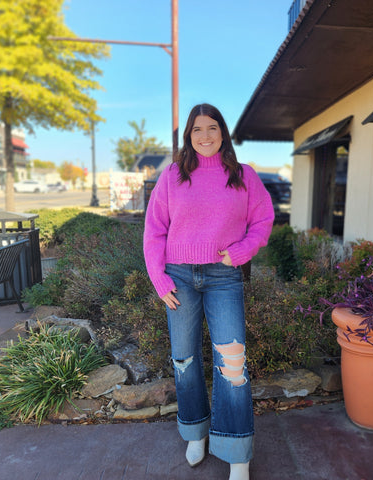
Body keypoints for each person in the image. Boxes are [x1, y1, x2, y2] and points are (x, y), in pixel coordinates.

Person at [143, 103, 274, 480]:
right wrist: (160, 278)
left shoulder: (243, 175)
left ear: (222, 132)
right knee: (184, 359)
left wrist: (243, 252)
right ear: (189, 135)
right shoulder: (172, 176)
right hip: (179, 277)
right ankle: (195, 432)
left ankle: (237, 452)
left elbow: (263, 220)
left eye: (212, 128)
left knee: (233, 364)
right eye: (197, 129)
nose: (205, 136)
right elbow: (154, 230)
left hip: (223, 277)